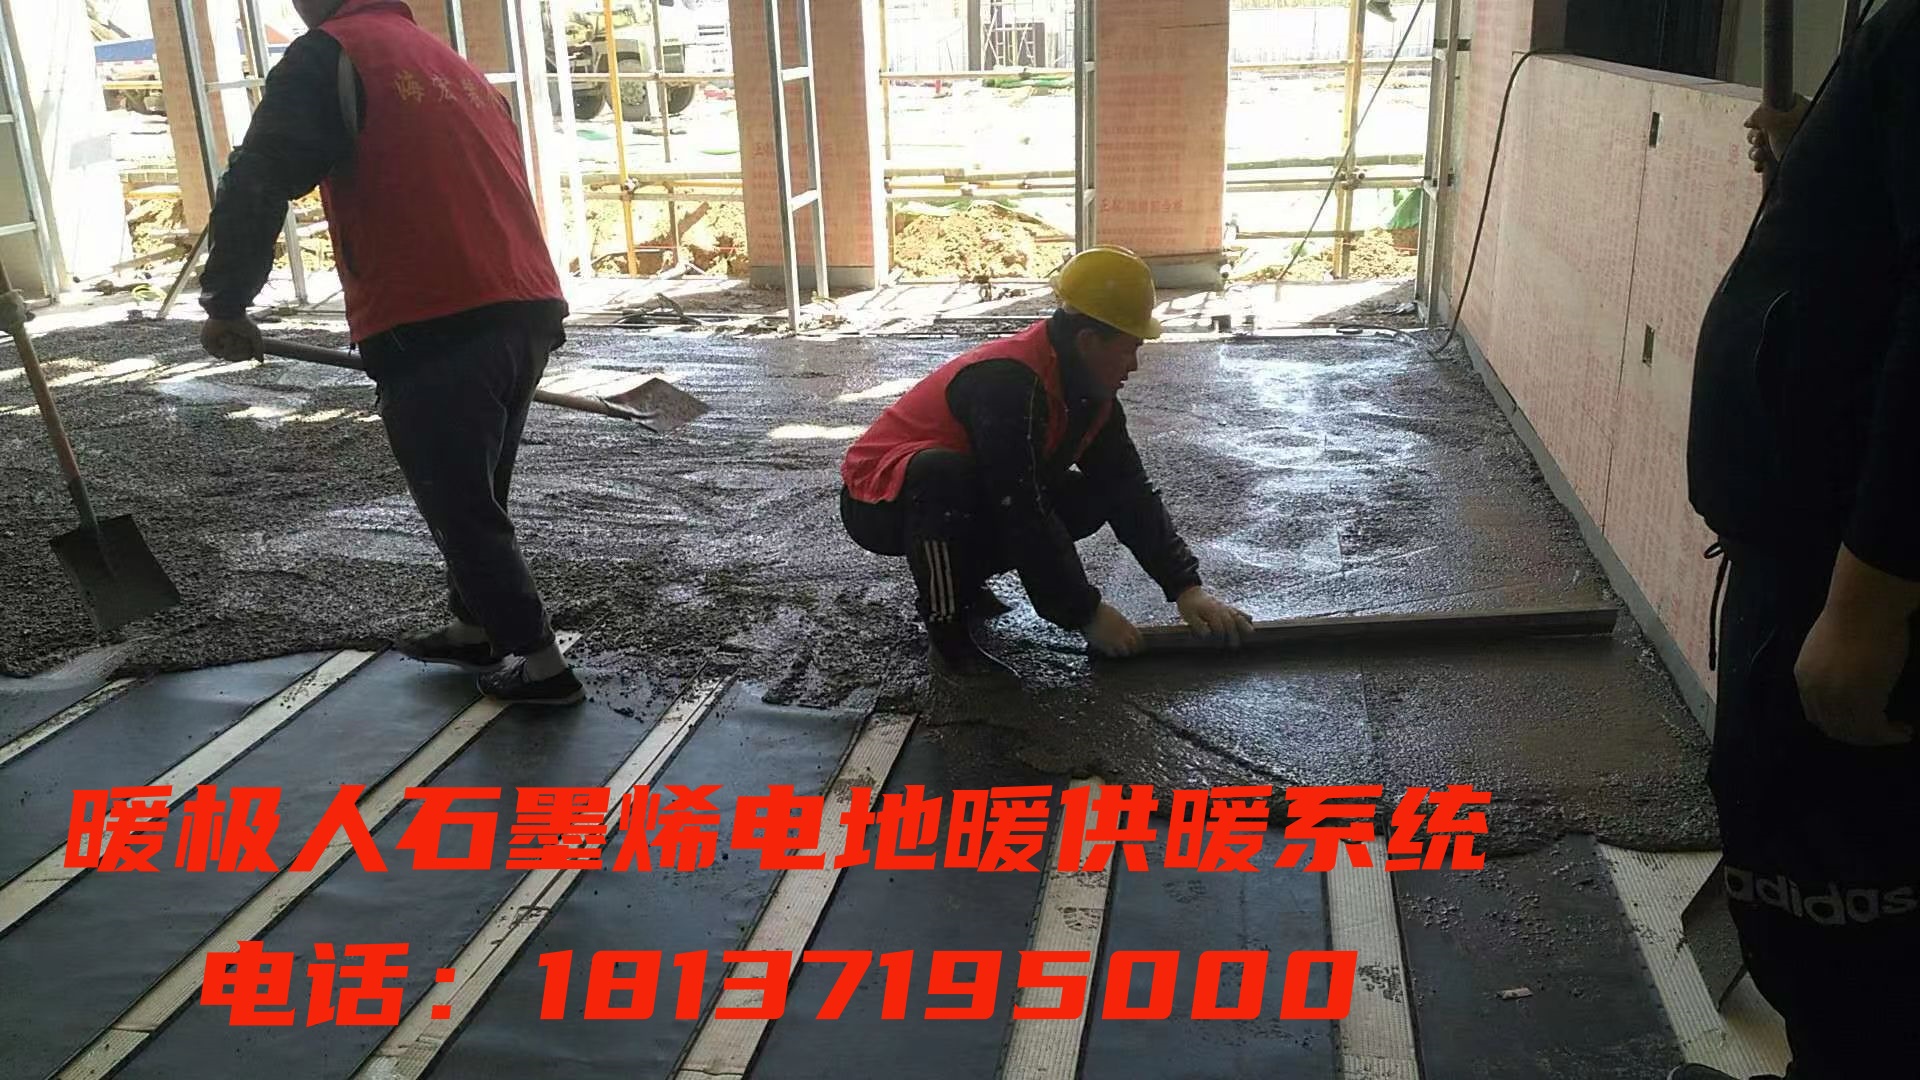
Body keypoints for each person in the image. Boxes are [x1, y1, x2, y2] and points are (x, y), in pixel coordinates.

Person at [196, 0, 582, 705]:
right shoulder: (445, 61)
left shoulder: (332, 54)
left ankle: (542, 665)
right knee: (476, 487)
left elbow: (259, 177)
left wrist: (225, 301)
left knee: (459, 503)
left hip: (436, 311)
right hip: (523, 303)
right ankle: (476, 626)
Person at [1682, 3, 1920, 1076]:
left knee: (1846, 904)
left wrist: (1869, 604)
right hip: (1811, 557)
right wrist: (1819, 152)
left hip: (1848, 573)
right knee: (1798, 874)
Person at [839, 246, 1255, 685]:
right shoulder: (1007, 383)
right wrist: (1085, 612)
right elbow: (1019, 504)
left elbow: (1127, 489)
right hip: (881, 502)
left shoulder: (1089, 391)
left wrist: (1186, 588)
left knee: (1089, 498)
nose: (1133, 365)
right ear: (1088, 341)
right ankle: (948, 629)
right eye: (1129, 348)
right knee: (948, 476)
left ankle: (965, 580)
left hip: (967, 491)